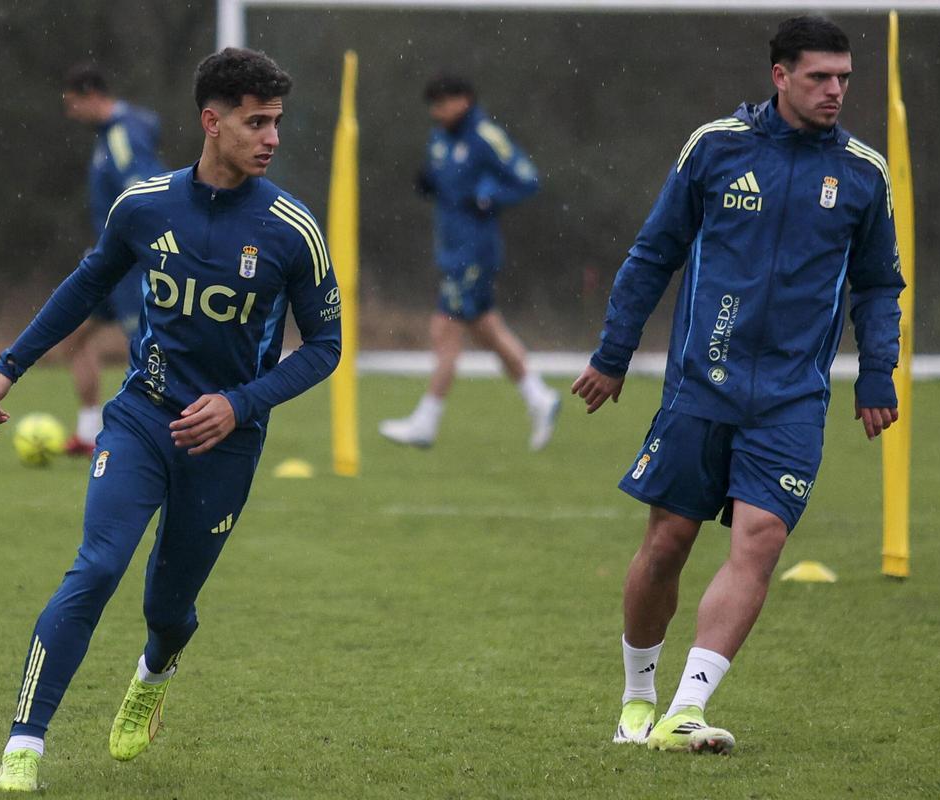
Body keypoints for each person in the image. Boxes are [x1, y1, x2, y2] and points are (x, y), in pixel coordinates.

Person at [0, 48, 341, 792]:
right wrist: (9, 364)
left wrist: (241, 403)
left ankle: (154, 671)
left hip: (227, 445)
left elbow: (326, 347)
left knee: (168, 609)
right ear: (212, 121)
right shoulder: (143, 204)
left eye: (277, 124)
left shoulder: (290, 229)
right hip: (142, 417)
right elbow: (85, 287)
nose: (272, 138)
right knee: (98, 564)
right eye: (256, 122)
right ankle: (25, 743)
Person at [571, 16, 903, 754]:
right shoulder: (716, 147)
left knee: (761, 538)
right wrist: (613, 355)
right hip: (701, 385)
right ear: (779, 76)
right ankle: (637, 697)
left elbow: (880, 284)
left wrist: (876, 372)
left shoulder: (861, 173)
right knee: (669, 542)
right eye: (819, 76)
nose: (836, 90)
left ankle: (687, 711)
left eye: (844, 77)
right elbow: (654, 252)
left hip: (791, 397)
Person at [378, 73, 560, 451]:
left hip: (475, 253)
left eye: (443, 103)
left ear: (464, 100)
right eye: (433, 105)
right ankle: (539, 396)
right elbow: (445, 181)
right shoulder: (440, 137)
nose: (436, 111)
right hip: (452, 248)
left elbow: (527, 179)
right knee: (486, 330)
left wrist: (488, 195)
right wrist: (430, 183)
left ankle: (425, 423)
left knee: (444, 329)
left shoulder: (485, 136)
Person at [60, 63, 164, 455]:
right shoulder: (108, 135)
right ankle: (89, 432)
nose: (71, 113)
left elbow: (144, 189)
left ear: (91, 95)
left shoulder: (123, 134)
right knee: (72, 334)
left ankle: (157, 434)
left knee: (148, 349)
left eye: (73, 104)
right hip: (109, 261)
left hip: (134, 263)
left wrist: (145, 251)